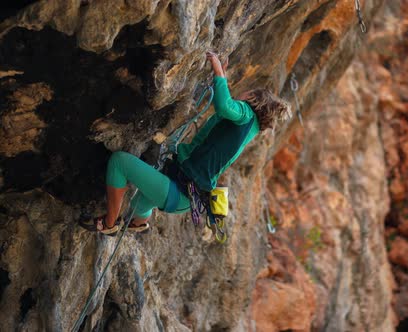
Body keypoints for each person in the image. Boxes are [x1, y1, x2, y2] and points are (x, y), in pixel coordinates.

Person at [84, 51, 291, 234]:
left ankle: (110, 224)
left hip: (178, 188)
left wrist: (218, 70)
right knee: (139, 203)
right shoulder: (249, 130)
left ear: (254, 99)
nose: (242, 94)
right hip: (184, 194)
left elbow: (225, 106)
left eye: (247, 93)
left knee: (120, 162)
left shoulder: (246, 114)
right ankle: (139, 223)